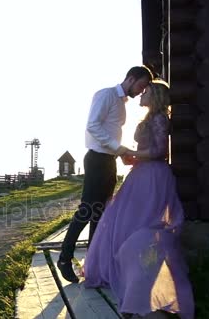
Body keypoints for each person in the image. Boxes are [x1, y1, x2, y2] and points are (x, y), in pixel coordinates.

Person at [83, 80, 195, 319]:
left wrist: (130, 152)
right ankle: (129, 277)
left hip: (154, 177)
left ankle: (145, 287)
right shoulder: (149, 119)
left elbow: (159, 152)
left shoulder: (160, 119)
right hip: (140, 174)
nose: (141, 94)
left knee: (141, 227)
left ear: (154, 96)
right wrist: (132, 158)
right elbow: (148, 151)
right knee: (118, 221)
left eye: (146, 91)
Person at [57, 66, 154, 283]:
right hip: (96, 160)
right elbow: (92, 126)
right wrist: (120, 150)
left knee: (100, 216)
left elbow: (110, 134)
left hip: (109, 161)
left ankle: (93, 265)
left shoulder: (122, 103)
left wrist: (121, 155)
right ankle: (64, 258)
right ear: (130, 78)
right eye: (140, 85)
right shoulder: (106, 95)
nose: (140, 91)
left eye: (144, 89)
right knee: (87, 210)